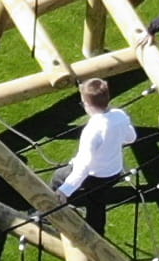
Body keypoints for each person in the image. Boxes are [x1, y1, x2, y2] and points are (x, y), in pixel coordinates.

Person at [58, 84, 136, 228]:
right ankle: (97, 234)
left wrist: (65, 190)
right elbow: (131, 138)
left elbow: (84, 165)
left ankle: (49, 213)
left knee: (58, 177)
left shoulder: (92, 130)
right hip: (113, 173)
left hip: (95, 176)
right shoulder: (120, 115)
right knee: (97, 202)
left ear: (87, 105)